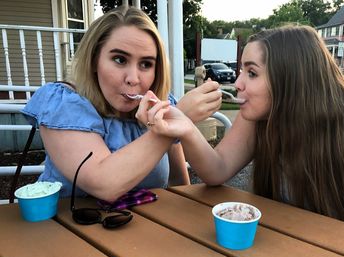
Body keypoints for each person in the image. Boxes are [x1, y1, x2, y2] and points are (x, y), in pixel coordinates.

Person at [138, 25, 344, 237]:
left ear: (290, 80)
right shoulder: (261, 115)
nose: (238, 83)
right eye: (242, 70)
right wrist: (185, 127)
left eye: (252, 73)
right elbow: (217, 169)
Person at [21, 5, 221, 202]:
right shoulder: (63, 104)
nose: (133, 78)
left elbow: (179, 184)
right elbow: (104, 184)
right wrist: (174, 121)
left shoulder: (158, 104)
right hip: (64, 229)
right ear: (93, 61)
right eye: (119, 59)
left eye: (146, 64)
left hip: (144, 230)